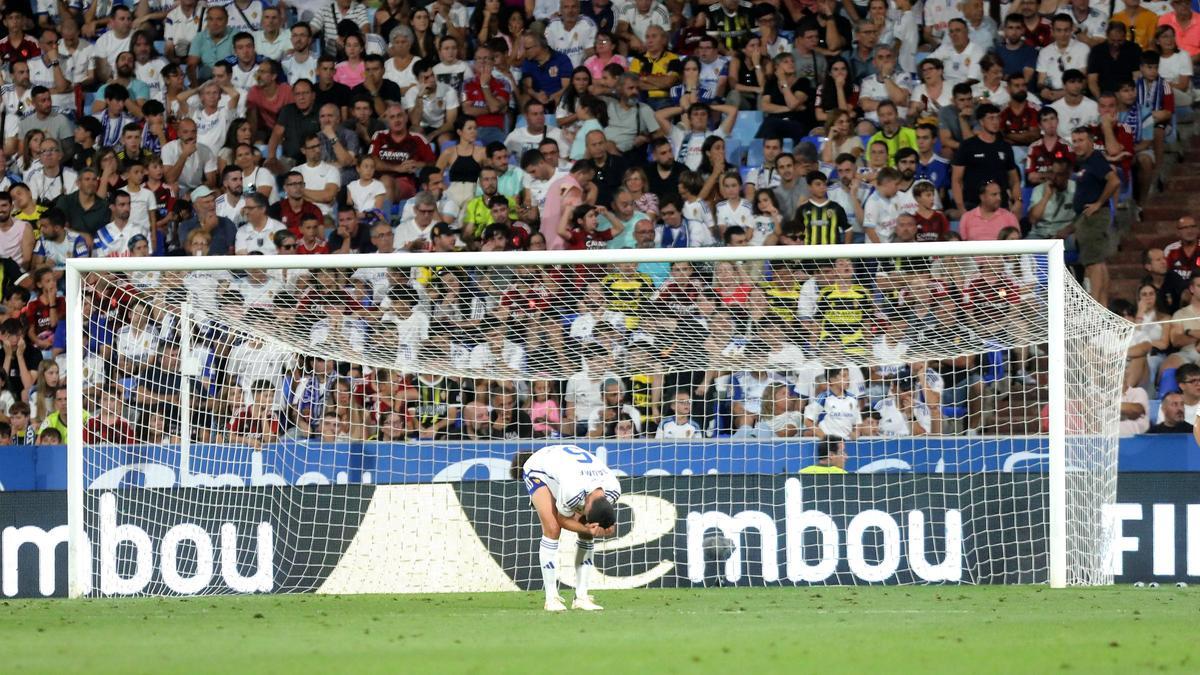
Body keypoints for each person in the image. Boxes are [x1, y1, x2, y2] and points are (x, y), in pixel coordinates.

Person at [520, 443, 620, 612]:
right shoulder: (572, 491)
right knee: (552, 529)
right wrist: (587, 529)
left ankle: (581, 597)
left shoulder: (613, 490)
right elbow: (562, 520)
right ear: (587, 503)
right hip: (539, 467)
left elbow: (604, 519)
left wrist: (606, 528)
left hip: (568, 468)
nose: (580, 512)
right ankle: (551, 598)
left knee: (586, 533)